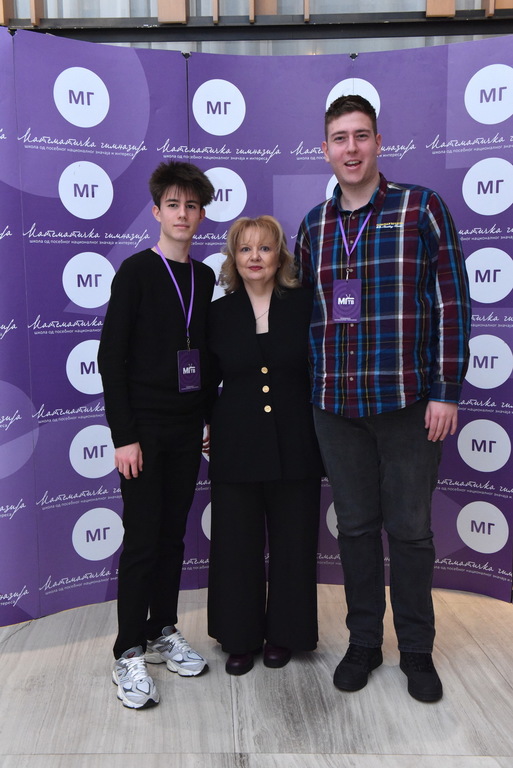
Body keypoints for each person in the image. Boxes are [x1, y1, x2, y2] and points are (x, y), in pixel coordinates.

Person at [295, 95, 471, 703]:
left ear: (377, 142)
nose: (351, 149)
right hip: (335, 407)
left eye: (361, 135)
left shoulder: (422, 207)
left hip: (408, 402)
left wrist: (446, 391)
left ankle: (416, 649)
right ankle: (364, 641)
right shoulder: (314, 225)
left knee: (412, 531)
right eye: (340, 138)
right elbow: (306, 316)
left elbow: (452, 302)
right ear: (325, 150)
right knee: (356, 529)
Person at [98, 160, 216, 709]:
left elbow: (206, 355)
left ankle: (162, 629)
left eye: (191, 206)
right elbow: (111, 358)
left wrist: (208, 416)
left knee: (172, 536)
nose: (182, 214)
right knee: (143, 538)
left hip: (187, 427)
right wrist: (124, 436)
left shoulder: (205, 278)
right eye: (173, 205)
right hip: (142, 430)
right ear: (156, 211)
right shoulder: (136, 272)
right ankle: (128, 649)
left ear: (201, 215)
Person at [207, 215, 324, 676]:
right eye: (245, 249)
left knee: (295, 541)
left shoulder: (305, 304)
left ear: (280, 257)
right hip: (235, 443)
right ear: (233, 259)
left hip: (297, 441)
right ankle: (239, 636)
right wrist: (201, 424)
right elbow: (204, 380)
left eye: (264, 248)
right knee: (236, 544)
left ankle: (285, 634)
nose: (255, 257)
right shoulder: (218, 313)